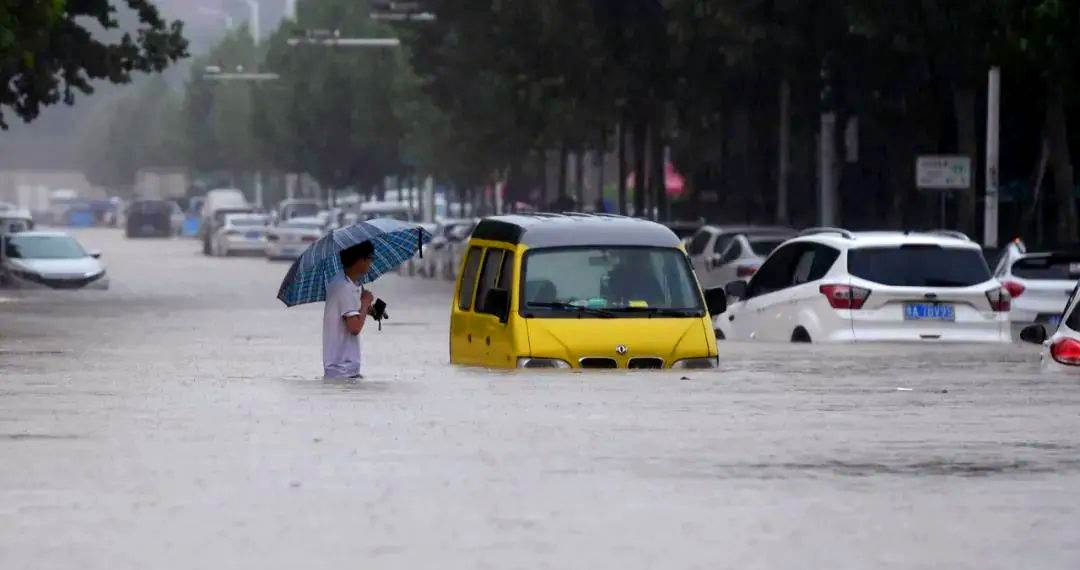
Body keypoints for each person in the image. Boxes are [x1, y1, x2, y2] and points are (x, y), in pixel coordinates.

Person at [323, 241, 375, 379]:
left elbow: (348, 312)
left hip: (340, 369)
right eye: (370, 258)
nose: (371, 262)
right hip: (343, 371)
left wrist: (367, 309)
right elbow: (355, 328)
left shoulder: (341, 282)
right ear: (360, 260)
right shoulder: (344, 288)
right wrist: (364, 304)